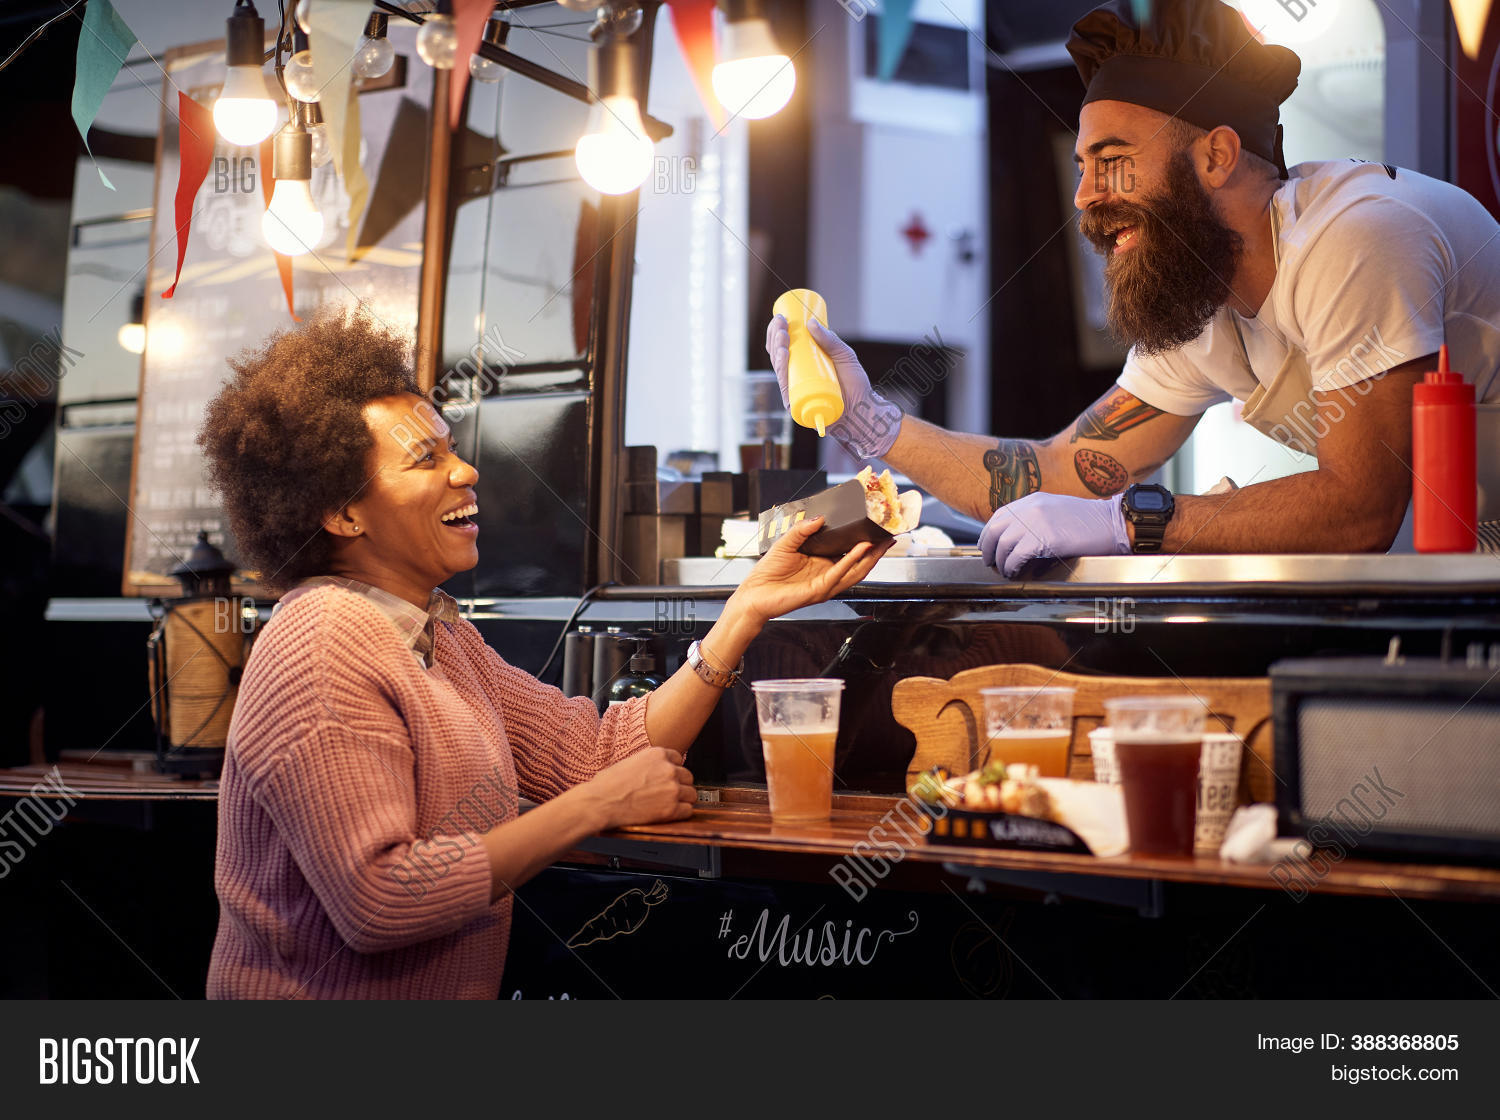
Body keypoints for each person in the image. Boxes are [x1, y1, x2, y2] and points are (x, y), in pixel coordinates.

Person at [198, 308, 889, 999]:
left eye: (452, 447)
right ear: (342, 512)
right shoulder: (320, 642)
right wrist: (595, 808)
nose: (465, 469)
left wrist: (744, 612)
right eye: (426, 458)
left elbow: (599, 753)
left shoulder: (440, 635)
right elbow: (382, 900)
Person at [766, 0, 1500, 576]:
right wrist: (869, 422)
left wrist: (1136, 521)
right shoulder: (1201, 299)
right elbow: (1061, 473)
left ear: (1216, 155)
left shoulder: (1356, 237)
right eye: (1082, 167)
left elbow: (1359, 510)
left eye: (1112, 161)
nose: (1084, 196)